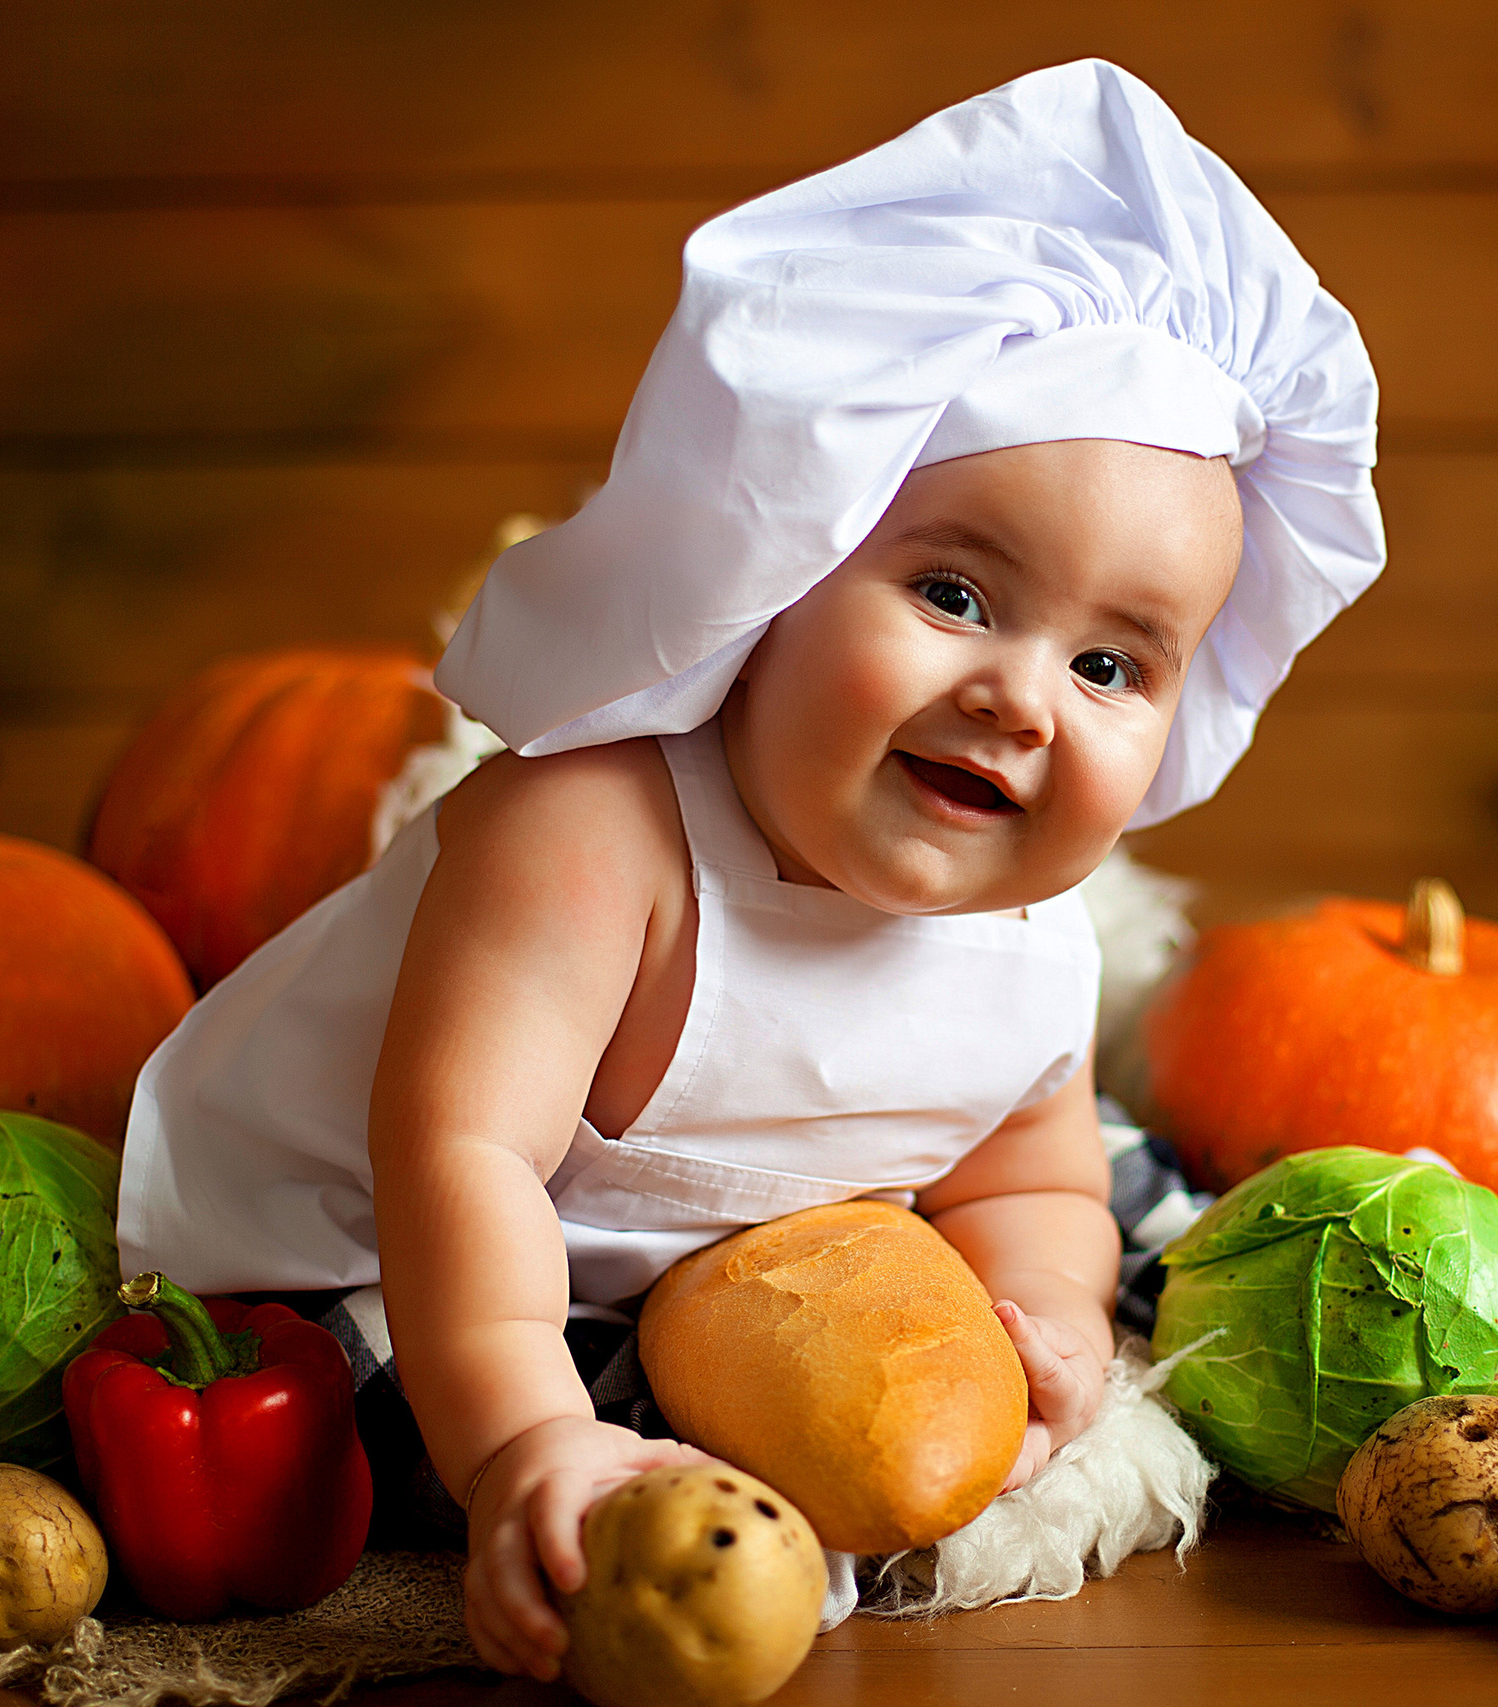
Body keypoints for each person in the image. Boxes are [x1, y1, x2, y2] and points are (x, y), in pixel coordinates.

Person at [116, 59, 1384, 1680]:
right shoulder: (592, 839)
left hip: (738, 1243)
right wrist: (523, 1448)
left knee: (1131, 1188)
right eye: (955, 594)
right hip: (410, 1253)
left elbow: (1028, 1175)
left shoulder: (1036, 930)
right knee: (408, 1428)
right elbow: (464, 1162)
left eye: (1114, 669)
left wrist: (1048, 1316)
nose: (1019, 697)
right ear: (780, 568)